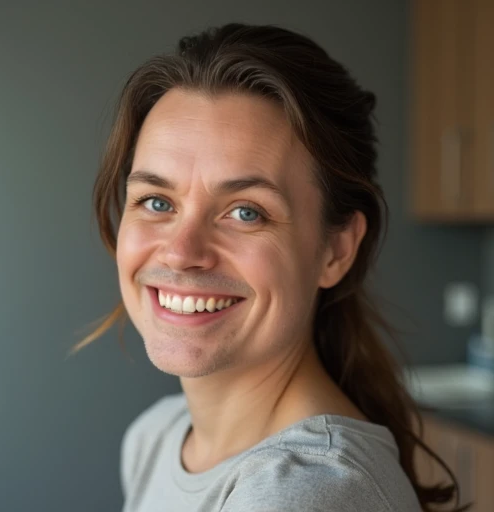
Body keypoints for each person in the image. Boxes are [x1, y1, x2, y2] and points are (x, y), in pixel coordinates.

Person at [71, 23, 468, 512]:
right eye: (156, 201)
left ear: (337, 249)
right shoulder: (157, 437)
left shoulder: (301, 493)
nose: (181, 251)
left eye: (245, 212)